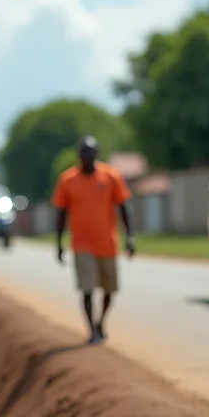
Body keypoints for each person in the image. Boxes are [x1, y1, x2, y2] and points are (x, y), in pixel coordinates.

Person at [53, 136, 136, 344]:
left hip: (107, 243)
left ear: (97, 154)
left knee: (109, 290)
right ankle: (91, 330)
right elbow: (61, 213)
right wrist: (59, 243)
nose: (88, 156)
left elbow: (124, 206)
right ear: (79, 155)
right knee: (87, 289)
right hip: (82, 244)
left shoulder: (110, 176)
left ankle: (101, 322)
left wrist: (130, 237)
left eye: (92, 152)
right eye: (84, 152)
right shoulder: (68, 180)